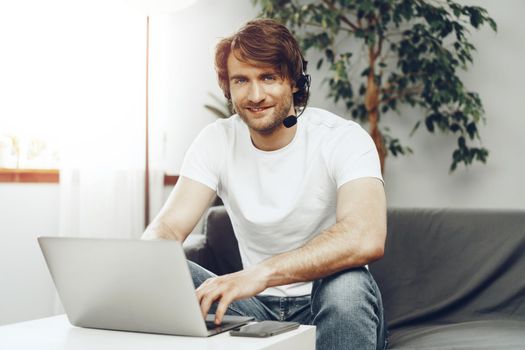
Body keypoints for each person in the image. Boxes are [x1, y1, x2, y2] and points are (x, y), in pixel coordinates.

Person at [142, 18, 387, 350]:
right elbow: (168, 228)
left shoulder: (343, 138)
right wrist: (148, 258)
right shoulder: (217, 140)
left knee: (347, 285)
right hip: (252, 309)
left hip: (326, 301)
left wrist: (261, 274)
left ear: (295, 83)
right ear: (229, 88)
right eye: (242, 80)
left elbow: (366, 236)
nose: (255, 95)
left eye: (268, 77)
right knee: (163, 269)